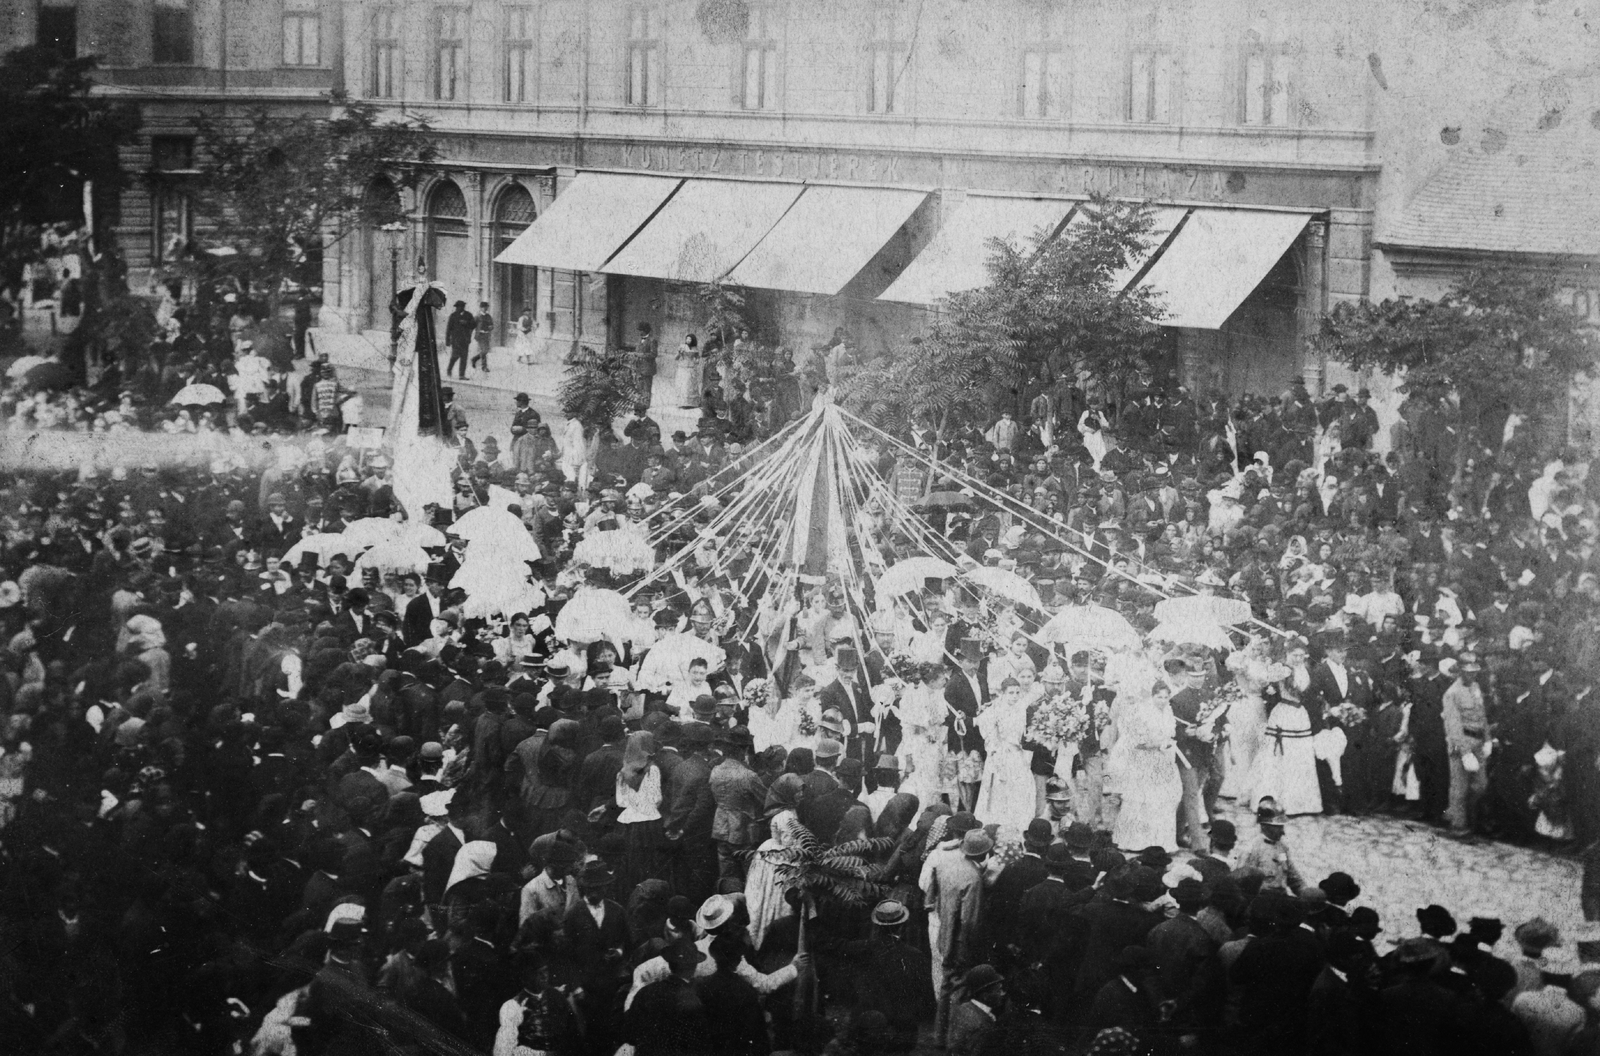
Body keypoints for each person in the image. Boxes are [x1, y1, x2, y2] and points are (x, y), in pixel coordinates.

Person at [1110, 680, 1182, 852]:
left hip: (1163, 761)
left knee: (1162, 800)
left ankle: (1159, 842)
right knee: (1141, 800)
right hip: (1144, 762)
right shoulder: (1142, 713)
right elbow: (1136, 743)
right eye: (1159, 697)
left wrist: (1166, 745)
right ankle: (1135, 841)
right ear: (1152, 696)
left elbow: (1169, 734)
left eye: (1166, 697)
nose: (1162, 701)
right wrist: (1158, 745)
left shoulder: (1168, 712)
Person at [446, 299, 475, 379]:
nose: (458, 308)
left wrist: (467, 323)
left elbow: (473, 325)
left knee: (464, 357)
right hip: (455, 340)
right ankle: (449, 369)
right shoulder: (453, 316)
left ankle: (461, 375)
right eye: (457, 307)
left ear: (463, 307)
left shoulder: (468, 315)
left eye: (460, 307)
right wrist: (447, 340)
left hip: (465, 340)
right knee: (455, 356)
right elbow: (449, 329)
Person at [472, 301, 495, 374]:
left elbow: (492, 325)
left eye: (486, 307)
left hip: (486, 335)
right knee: (484, 350)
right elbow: (472, 326)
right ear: (481, 308)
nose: (485, 309)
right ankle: (484, 367)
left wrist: (491, 327)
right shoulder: (477, 316)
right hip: (480, 335)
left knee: (486, 350)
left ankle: (474, 359)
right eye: (483, 307)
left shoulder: (488, 316)